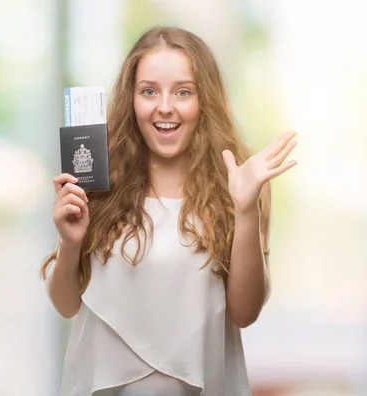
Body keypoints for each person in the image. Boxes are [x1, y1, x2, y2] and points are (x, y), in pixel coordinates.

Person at [40, 26, 297, 396]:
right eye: (148, 91)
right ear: (131, 100)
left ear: (203, 100)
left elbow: (245, 312)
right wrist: (69, 241)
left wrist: (246, 210)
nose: (165, 106)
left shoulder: (238, 186)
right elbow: (66, 305)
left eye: (183, 91)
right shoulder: (97, 184)